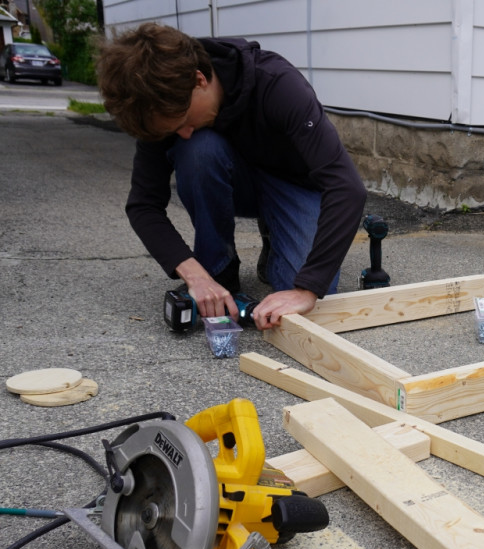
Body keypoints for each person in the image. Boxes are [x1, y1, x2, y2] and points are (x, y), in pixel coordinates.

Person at [97, 23, 366, 330]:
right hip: (235, 180)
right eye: (173, 130)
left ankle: (276, 234)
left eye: (184, 120)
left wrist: (307, 288)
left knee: (305, 298)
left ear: (198, 80)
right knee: (198, 149)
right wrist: (196, 276)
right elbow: (143, 205)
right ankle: (218, 273)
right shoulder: (159, 103)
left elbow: (346, 188)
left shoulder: (276, 83)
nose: (181, 133)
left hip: (294, 183)